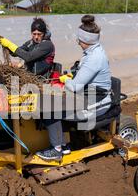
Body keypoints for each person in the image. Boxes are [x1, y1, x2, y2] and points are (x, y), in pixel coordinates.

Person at [35, 15, 112, 161]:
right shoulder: (93, 52)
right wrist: (70, 77)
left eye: (79, 40)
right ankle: (62, 146)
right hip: (88, 95)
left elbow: (74, 87)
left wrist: (65, 80)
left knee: (49, 107)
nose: (78, 42)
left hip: (96, 102)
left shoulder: (94, 58)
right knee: (51, 100)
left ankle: (56, 150)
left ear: (86, 41)